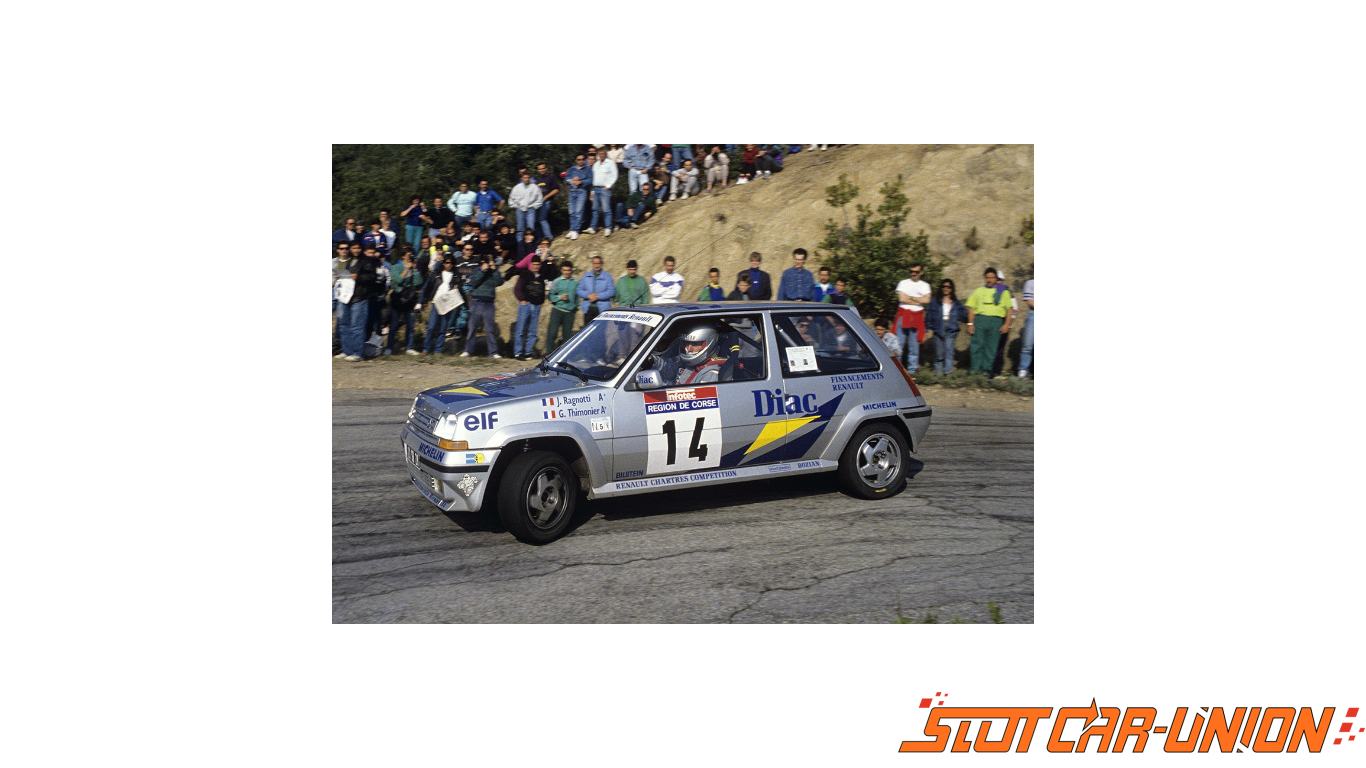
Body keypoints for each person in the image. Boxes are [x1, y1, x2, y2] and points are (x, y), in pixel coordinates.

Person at [337, 244, 383, 361]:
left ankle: (357, 353)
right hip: (344, 296)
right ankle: (347, 351)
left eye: (358, 247)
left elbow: (372, 277)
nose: (356, 250)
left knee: (357, 326)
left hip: (359, 297)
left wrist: (359, 277)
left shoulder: (367, 261)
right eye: (353, 248)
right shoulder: (345, 261)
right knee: (343, 325)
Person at [965, 268, 1013, 376]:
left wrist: (1006, 324)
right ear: (984, 278)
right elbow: (971, 308)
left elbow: (1009, 309)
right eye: (987, 277)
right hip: (980, 320)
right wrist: (970, 324)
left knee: (991, 347)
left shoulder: (1003, 292)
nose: (989, 280)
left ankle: (986, 371)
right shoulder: (978, 291)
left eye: (992, 277)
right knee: (976, 345)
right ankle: (975, 370)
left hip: (996, 321)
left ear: (996, 278)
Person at [461, 252, 504, 358]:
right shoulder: (476, 270)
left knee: (490, 330)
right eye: (486, 259)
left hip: (489, 303)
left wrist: (494, 269)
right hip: (476, 302)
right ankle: (468, 350)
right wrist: (482, 270)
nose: (488, 262)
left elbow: (499, 282)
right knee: (472, 328)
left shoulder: (493, 272)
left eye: (490, 259)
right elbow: (474, 282)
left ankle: (493, 352)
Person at [924, 278, 968, 375]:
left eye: (948, 287)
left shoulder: (956, 303)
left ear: (952, 289)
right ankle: (938, 373)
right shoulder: (935, 301)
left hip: (951, 327)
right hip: (938, 326)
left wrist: (970, 320)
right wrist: (928, 329)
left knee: (949, 350)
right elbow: (929, 316)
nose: (946, 288)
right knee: (939, 352)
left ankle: (948, 373)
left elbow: (964, 316)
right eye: (944, 286)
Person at [509, 252, 547, 360]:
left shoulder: (541, 277)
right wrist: (522, 299)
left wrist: (541, 301)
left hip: (537, 306)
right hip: (526, 304)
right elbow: (517, 288)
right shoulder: (525, 275)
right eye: (534, 264)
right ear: (531, 264)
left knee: (533, 331)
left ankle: (528, 352)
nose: (536, 266)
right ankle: (518, 352)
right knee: (520, 329)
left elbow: (542, 290)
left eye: (538, 264)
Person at [419, 256, 460, 356]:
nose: (448, 264)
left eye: (450, 263)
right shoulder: (436, 274)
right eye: (446, 262)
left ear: (453, 264)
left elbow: (459, 290)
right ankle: (426, 349)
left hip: (447, 304)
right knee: (431, 327)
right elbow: (428, 287)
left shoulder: (455, 276)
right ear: (443, 263)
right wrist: (424, 301)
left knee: (443, 328)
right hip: (436, 302)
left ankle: (438, 350)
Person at [894, 263, 932, 373]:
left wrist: (909, 297)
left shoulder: (925, 285)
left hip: (917, 317)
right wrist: (918, 299)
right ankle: (897, 371)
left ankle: (912, 370)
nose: (913, 274)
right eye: (911, 271)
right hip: (903, 315)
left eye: (916, 272)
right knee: (898, 345)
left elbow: (927, 300)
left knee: (914, 346)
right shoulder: (903, 283)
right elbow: (901, 298)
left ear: (921, 273)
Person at [387, 251, 423, 355]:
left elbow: (418, 283)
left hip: (409, 299)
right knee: (393, 325)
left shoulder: (413, 268)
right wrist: (407, 268)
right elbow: (398, 280)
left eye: (411, 255)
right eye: (408, 255)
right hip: (397, 299)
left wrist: (415, 270)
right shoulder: (396, 267)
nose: (410, 257)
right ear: (403, 256)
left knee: (410, 325)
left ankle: (409, 347)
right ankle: (389, 347)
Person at [546, 260, 578, 353]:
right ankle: (549, 354)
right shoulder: (556, 282)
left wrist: (575, 307)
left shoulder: (575, 282)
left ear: (571, 271)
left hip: (569, 312)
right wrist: (560, 297)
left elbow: (577, 296)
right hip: (557, 310)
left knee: (567, 336)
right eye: (565, 270)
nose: (567, 272)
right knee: (552, 333)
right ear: (561, 270)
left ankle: (564, 355)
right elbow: (550, 296)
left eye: (568, 270)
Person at [577, 255, 615, 324]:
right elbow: (579, 290)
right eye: (594, 263)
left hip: (602, 309)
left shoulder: (607, 277)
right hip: (588, 308)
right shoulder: (586, 276)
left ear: (601, 264)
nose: (596, 266)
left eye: (598, 263)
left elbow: (611, 291)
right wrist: (588, 295)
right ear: (592, 264)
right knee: (588, 331)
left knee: (601, 331)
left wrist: (598, 296)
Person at [587, 152, 618, 236]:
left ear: (605, 154)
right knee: (595, 209)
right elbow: (594, 178)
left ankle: (608, 228)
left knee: (606, 209)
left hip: (605, 189)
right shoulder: (596, 164)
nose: (601, 155)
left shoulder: (610, 163)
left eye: (603, 153)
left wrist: (608, 186)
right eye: (599, 154)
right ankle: (593, 228)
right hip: (596, 188)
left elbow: (614, 176)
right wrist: (592, 191)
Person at [563, 154, 593, 239]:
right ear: (576, 160)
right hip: (572, 191)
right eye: (579, 159)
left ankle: (576, 230)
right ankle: (572, 229)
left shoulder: (588, 169)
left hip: (582, 191)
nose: (581, 161)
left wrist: (581, 182)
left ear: (584, 160)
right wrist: (572, 180)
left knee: (579, 211)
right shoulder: (572, 169)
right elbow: (566, 179)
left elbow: (590, 180)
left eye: (582, 159)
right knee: (571, 212)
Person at [509, 172, 543, 239]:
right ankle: (520, 244)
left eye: (528, 177)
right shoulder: (517, 188)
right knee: (520, 228)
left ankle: (532, 243)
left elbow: (539, 198)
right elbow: (511, 198)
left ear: (530, 178)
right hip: (520, 209)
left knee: (531, 227)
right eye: (525, 178)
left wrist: (534, 206)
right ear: (522, 178)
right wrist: (516, 206)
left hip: (530, 209)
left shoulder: (534, 187)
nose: (526, 179)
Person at [532, 162, 560, 241]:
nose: (542, 170)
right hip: (538, 202)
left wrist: (546, 197)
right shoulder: (537, 179)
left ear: (546, 168)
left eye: (543, 168)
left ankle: (549, 237)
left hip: (547, 201)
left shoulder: (551, 177)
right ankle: (541, 238)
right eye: (540, 169)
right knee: (538, 220)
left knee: (542, 219)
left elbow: (556, 189)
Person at [1017, 276, 1034, 378]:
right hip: (1034, 314)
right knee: (1027, 345)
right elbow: (1030, 301)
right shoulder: (1031, 283)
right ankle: (1023, 370)